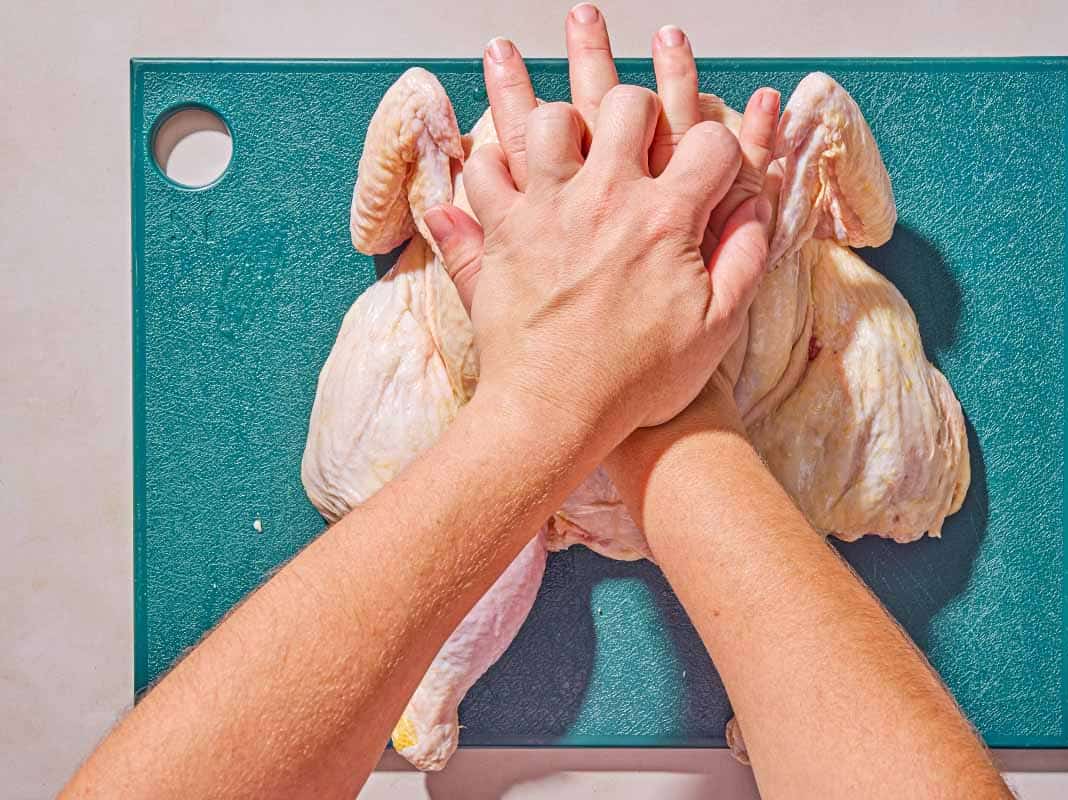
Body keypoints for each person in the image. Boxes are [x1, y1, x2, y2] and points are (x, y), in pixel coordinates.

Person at [64, 6, 1013, 799]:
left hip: (564, 424)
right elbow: (870, 227)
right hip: (692, 441)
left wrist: (563, 397)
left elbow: (381, 235)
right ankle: (450, 694)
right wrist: (628, 396)